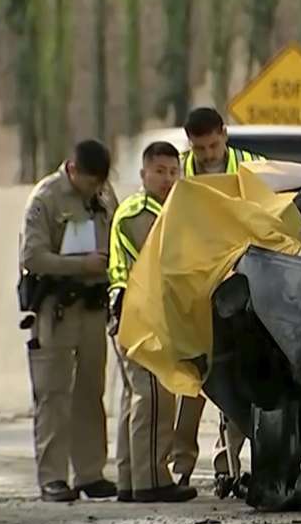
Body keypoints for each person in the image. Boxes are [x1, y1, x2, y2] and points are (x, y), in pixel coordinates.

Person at [19, 139, 118, 502]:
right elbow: (33, 256)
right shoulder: (46, 198)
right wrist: (80, 265)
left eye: (101, 182)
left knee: (91, 393)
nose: (97, 189)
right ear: (72, 170)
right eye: (91, 181)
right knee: (54, 394)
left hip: (94, 308)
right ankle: (53, 477)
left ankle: (90, 472)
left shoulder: (104, 198)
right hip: (58, 309)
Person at [178, 106, 264, 498]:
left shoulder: (249, 166)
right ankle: (206, 467)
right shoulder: (180, 173)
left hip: (246, 288)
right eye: (201, 148)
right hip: (199, 291)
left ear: (224, 135)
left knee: (247, 377)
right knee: (205, 381)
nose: (209, 154)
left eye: (213, 145)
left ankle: (241, 463)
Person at [107, 141, 198, 503]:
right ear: (143, 174)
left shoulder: (170, 209)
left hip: (144, 315)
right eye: (159, 171)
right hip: (139, 314)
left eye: (173, 171)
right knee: (153, 396)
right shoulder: (139, 214)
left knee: (136, 397)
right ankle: (152, 480)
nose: (167, 178)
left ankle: (130, 478)